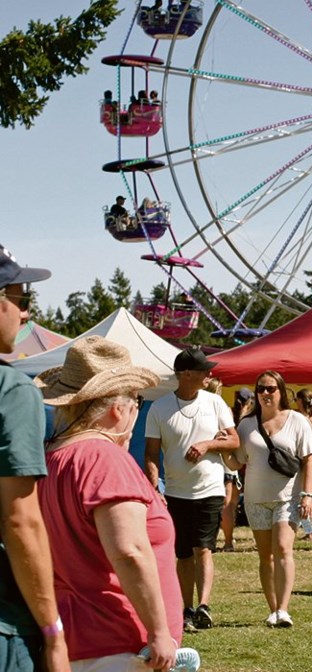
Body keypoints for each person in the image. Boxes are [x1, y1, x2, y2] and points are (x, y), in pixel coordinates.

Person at [35, 336, 180, 671]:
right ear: (119, 409)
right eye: (137, 402)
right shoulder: (104, 457)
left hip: (70, 639)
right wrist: (159, 631)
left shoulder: (51, 457)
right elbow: (129, 551)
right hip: (119, 642)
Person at [0, 245, 69, 672]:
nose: (26, 315)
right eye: (23, 300)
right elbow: (19, 519)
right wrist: (52, 632)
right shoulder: (13, 391)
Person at [144, 347, 239, 632]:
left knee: (204, 549)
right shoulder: (159, 408)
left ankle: (204, 606)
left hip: (210, 489)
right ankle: (186, 608)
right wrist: (154, 489)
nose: (209, 374)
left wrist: (208, 444)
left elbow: (234, 441)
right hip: (174, 492)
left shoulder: (215, 403)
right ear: (186, 374)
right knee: (183, 554)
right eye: (203, 370)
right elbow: (150, 454)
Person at [221, 371, 312, 628]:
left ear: (281, 391)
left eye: (271, 389)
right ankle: (272, 609)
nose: (265, 393)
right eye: (260, 389)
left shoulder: (297, 421)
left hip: (288, 497)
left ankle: (284, 610)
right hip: (255, 499)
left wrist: (307, 495)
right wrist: (220, 448)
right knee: (265, 556)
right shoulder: (247, 424)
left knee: (283, 548)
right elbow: (236, 460)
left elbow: (308, 460)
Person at [221, 386, 254, 551]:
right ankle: (228, 541)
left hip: (226, 464)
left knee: (228, 504)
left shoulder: (228, 414)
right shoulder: (245, 419)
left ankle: (228, 540)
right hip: (232, 467)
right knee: (229, 504)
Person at [295, 389, 312, 541]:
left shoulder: (300, 418)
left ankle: (310, 532)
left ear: (300, 401)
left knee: (306, 497)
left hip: (303, 460)